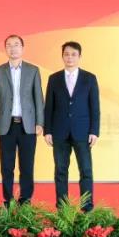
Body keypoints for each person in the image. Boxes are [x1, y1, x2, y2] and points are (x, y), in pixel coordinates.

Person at [44, 41, 100, 212]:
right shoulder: (54, 79)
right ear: (62, 56)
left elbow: (95, 107)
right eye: (66, 54)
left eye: (73, 54)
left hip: (83, 132)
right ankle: (63, 208)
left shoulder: (89, 78)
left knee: (86, 170)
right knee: (60, 170)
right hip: (59, 132)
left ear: (79, 57)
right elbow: (49, 107)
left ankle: (87, 207)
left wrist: (94, 131)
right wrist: (47, 131)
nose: (70, 57)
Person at [0, 35, 44, 205]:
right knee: (7, 166)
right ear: (5, 49)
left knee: (27, 166)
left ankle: (25, 199)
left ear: (22, 48)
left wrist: (40, 122)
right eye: (9, 45)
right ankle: (8, 199)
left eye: (16, 45)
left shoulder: (33, 70)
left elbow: (38, 98)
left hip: (28, 125)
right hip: (6, 125)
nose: (13, 48)